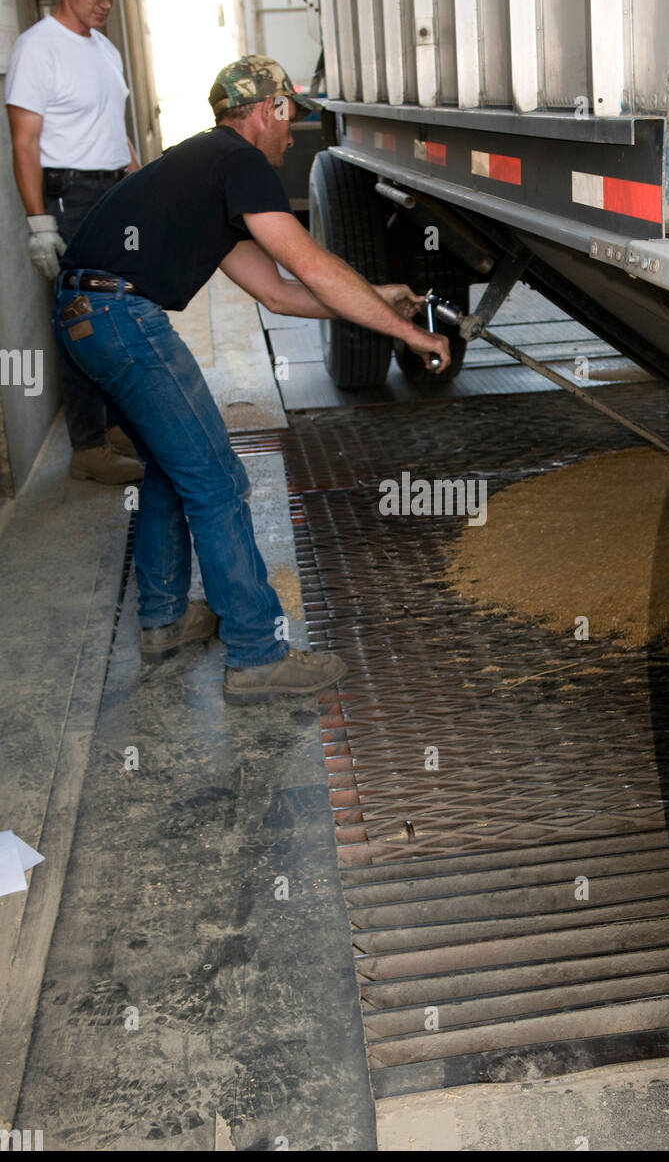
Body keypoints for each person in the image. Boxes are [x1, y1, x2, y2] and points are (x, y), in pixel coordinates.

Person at [54, 54, 450, 702]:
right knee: (217, 479)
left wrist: (381, 297)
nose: (292, 134)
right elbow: (316, 267)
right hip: (119, 316)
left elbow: (281, 293)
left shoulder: (208, 170)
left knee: (170, 468)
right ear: (268, 111)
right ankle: (257, 654)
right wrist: (410, 334)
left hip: (84, 315)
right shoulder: (240, 163)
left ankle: (163, 620)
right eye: (290, 116)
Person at [5, 0, 143, 485]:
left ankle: (109, 427)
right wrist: (39, 223)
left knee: (114, 315)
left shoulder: (104, 50)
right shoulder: (38, 48)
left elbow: (115, 126)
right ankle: (87, 447)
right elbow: (24, 142)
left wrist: (138, 180)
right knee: (82, 320)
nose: (103, 3)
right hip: (70, 197)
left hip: (111, 193)